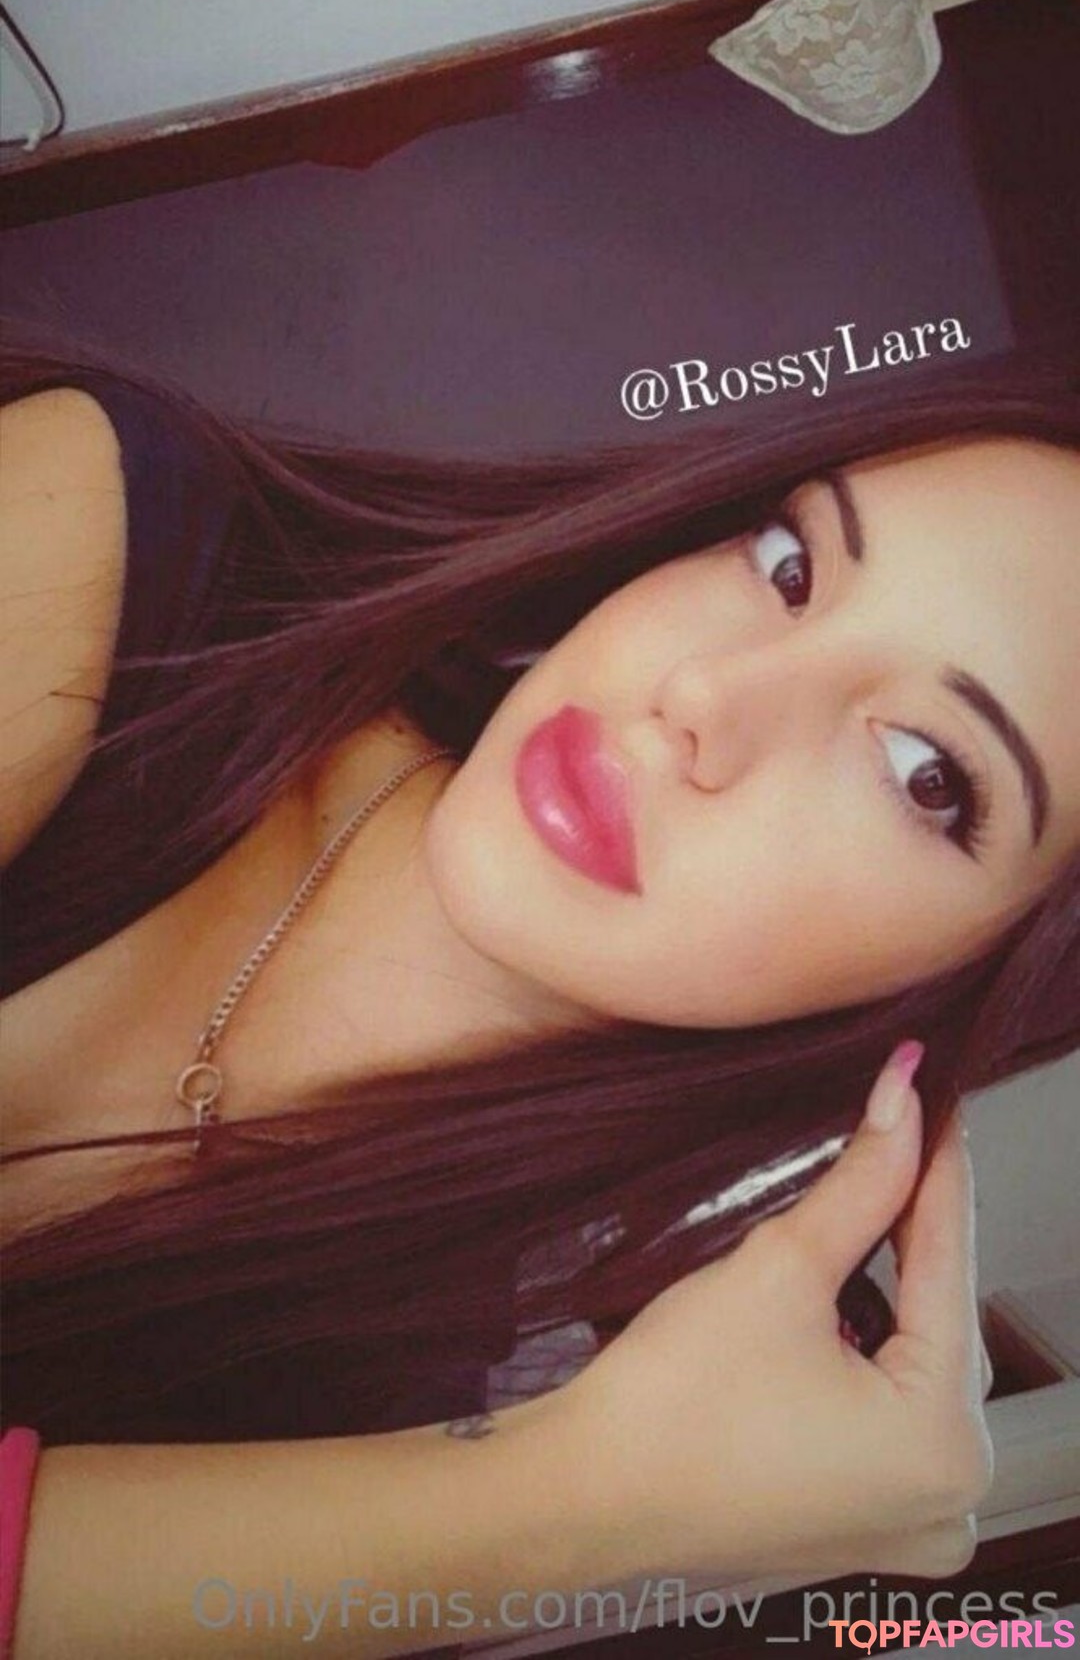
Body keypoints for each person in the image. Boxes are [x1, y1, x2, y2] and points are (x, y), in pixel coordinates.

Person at [0, 322, 1078, 1659]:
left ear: (958, 985)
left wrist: (584, 1491)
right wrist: (562, 1506)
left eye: (925, 772)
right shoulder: (112, 560)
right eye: (791, 565)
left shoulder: (432, 1398)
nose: (705, 693)